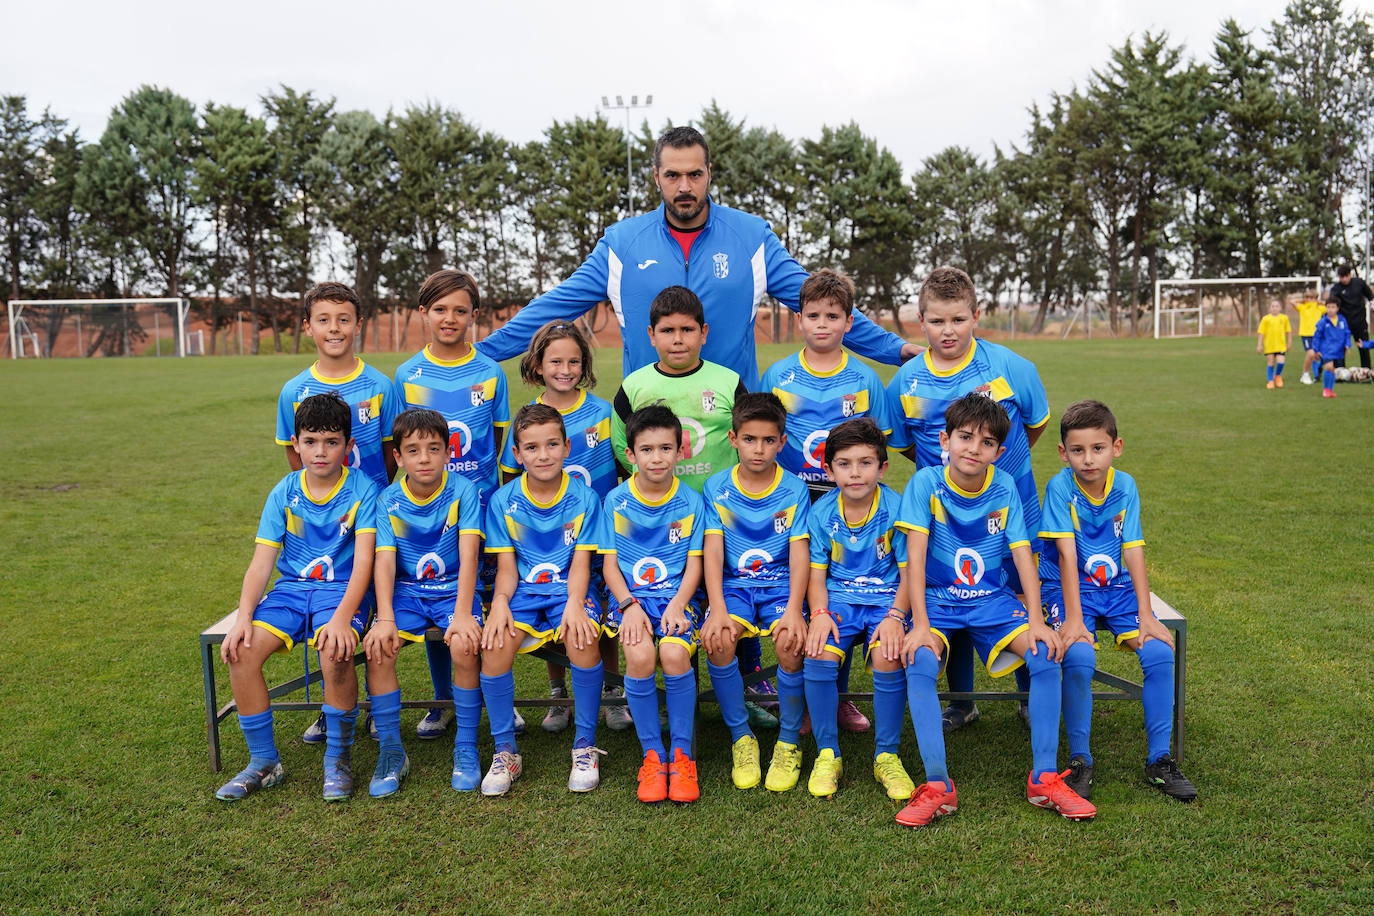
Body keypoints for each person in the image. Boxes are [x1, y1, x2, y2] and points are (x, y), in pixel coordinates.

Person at [473, 126, 919, 391]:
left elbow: (824, 305)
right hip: (649, 427)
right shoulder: (622, 244)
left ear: (709, 175)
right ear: (656, 177)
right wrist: (479, 355)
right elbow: (552, 308)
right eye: (673, 175)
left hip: (733, 423)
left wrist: (896, 350)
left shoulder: (752, 238)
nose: (684, 186)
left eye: (694, 174)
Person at [894, 393, 1092, 827]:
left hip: (992, 601)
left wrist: (1038, 622)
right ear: (945, 439)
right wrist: (919, 624)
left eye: (985, 443)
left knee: (1045, 653)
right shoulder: (925, 483)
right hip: (938, 602)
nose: (973, 449)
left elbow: (1022, 553)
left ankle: (1043, 778)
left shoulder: (1003, 486)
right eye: (964, 437)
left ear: (999, 452)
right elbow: (914, 555)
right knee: (920, 661)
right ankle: (938, 786)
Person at [885, 266, 1050, 733]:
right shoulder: (905, 382)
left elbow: (1034, 424)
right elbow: (904, 443)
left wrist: (997, 467)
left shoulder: (1012, 367)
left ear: (976, 316)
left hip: (1010, 503)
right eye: (937, 321)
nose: (948, 330)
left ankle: (1026, 694)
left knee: (1015, 589)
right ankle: (961, 702)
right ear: (920, 322)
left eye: (958, 319)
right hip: (940, 515)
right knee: (952, 592)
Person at [215, 393, 378, 802]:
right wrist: (242, 618)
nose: (320, 452)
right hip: (291, 591)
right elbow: (260, 565)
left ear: (349, 445)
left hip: (343, 593)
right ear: (296, 443)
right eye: (310, 441)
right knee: (242, 651)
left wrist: (342, 619)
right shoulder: (284, 492)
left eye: (331, 441)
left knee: (334, 651)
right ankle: (264, 762)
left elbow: (363, 567)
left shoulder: (365, 490)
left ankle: (337, 759)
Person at [1038, 399, 1196, 803]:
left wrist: (1147, 615)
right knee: (1078, 657)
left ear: (1117, 447)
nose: (1088, 459)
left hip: (1118, 590)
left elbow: (1134, 549)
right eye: (1078, 450)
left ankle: (1160, 761)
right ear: (1063, 452)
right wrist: (1073, 618)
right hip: (1069, 589)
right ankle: (1080, 761)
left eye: (1098, 448)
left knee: (1160, 651)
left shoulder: (1125, 486)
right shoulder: (1059, 487)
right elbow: (1067, 554)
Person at [761, 267, 893, 734]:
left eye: (832, 316)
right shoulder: (778, 374)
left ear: (849, 322)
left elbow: (875, 443)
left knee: (851, 589)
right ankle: (790, 693)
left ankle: (835, 699)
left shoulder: (864, 378)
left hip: (851, 498)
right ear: (799, 319)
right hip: (798, 503)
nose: (822, 324)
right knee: (802, 596)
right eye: (812, 314)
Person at [275, 282, 400, 746]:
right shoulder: (294, 390)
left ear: (358, 325)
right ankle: (335, 709)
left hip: (372, 517)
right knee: (333, 604)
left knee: (372, 606)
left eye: (343, 319)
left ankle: (369, 704)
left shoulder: (380, 385)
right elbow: (295, 460)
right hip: (323, 529)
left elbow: (391, 453)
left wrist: (369, 497)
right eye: (324, 320)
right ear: (308, 326)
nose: (334, 329)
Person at [395, 269, 514, 738]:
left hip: (481, 509)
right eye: (440, 309)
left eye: (460, 310)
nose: (450, 318)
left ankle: (494, 695)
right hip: (427, 513)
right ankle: (444, 701)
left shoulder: (490, 372)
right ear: (424, 312)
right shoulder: (407, 375)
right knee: (436, 592)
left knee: (484, 601)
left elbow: (499, 442)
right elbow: (398, 447)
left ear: (474, 316)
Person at [497, 320, 630, 734]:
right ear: (537, 365)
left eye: (574, 360)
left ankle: (609, 691)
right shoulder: (527, 419)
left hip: (596, 532)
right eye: (555, 360)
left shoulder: (601, 412)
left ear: (585, 364)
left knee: (598, 614)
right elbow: (510, 482)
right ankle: (558, 694)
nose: (565, 369)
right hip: (546, 544)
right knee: (554, 611)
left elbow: (626, 468)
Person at [478, 404, 608, 795]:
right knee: (495, 644)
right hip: (523, 593)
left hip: (573, 589)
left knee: (582, 637)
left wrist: (574, 603)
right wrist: (500, 602)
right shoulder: (503, 501)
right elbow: (506, 568)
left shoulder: (584, 498)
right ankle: (505, 751)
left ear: (567, 447)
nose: (544, 454)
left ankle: (585, 745)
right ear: (516, 454)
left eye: (552, 444)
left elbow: (582, 565)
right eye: (532, 448)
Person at [364, 408, 484, 797]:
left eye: (433, 449)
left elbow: (469, 557)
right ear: (397, 458)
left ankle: (466, 747)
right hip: (407, 592)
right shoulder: (387, 500)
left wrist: (464, 613)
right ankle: (391, 752)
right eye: (413, 451)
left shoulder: (464, 490)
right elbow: (384, 562)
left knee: (466, 643)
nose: (425, 458)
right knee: (379, 648)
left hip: (453, 589)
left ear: (448, 451)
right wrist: (383, 618)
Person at [700, 393, 811, 791]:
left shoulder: (794, 489)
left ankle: (787, 741)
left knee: (790, 642)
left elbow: (800, 555)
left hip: (781, 585)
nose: (759, 449)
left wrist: (797, 610)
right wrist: (715, 608)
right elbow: (712, 552)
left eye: (768, 440)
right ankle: (741, 738)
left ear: (782, 442)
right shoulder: (715, 488)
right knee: (719, 640)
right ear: (733, 439)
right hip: (734, 587)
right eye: (749, 439)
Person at [801, 418, 915, 800]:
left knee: (887, 656)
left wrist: (897, 617)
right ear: (829, 469)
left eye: (866, 462)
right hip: (838, 601)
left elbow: (909, 572)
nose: (855, 473)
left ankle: (887, 755)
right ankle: (827, 753)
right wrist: (818, 614)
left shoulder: (898, 508)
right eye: (845, 464)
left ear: (883, 467)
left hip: (887, 602)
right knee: (818, 653)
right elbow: (817, 575)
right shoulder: (820, 513)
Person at [599, 405, 706, 804]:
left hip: (678, 598)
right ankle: (652, 756)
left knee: (676, 656)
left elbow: (694, 564)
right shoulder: (615, 501)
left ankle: (682, 757)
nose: (656, 458)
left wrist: (679, 604)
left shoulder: (692, 502)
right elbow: (610, 566)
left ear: (681, 452)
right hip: (631, 600)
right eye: (647, 449)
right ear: (631, 455)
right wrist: (628, 605)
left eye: (666, 448)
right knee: (641, 655)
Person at [610, 285, 747, 492]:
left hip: (721, 501)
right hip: (661, 505)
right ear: (652, 335)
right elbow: (621, 443)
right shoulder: (633, 386)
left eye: (687, 330)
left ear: (703, 333)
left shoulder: (729, 382)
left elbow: (749, 438)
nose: (678, 339)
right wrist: (649, 478)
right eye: (667, 331)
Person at [1328, 266, 1372, 370]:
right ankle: (1340, 370)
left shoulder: (1359, 283)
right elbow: (1332, 304)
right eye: (1341, 277)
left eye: (1345, 276)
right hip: (1343, 323)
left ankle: (1366, 370)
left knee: (1363, 346)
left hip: (1360, 322)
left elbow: (1370, 295)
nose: (1343, 279)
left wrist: (1372, 302)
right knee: (1340, 347)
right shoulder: (1336, 289)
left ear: (1350, 274)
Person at [1313, 298, 1354, 398]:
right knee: (1328, 367)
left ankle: (1330, 390)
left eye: (1333, 307)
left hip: (1338, 351)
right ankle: (1326, 390)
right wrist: (1316, 350)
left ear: (1338, 308)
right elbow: (1316, 336)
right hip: (1326, 349)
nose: (1330, 309)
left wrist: (1347, 345)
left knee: (1332, 370)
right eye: (1328, 307)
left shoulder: (1342, 320)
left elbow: (1347, 333)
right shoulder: (1323, 321)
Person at [1292, 294, 1328, 384]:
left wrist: (1319, 302)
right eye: (1309, 298)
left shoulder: (1320, 308)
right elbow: (1292, 302)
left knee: (1318, 356)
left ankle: (1316, 375)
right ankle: (1305, 374)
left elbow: (1328, 304)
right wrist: (1303, 300)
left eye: (1313, 298)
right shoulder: (1303, 307)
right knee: (1311, 353)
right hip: (1306, 335)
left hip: (1317, 335)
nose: (1311, 300)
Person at [1256, 299, 1292, 389]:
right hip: (1269, 346)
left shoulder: (1284, 318)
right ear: (1270, 308)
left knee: (1281, 362)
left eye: (1277, 306)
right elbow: (1261, 332)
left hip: (1281, 345)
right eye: (1273, 306)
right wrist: (1259, 345)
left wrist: (1289, 342)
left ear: (1280, 308)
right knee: (1271, 363)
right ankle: (1270, 381)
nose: (1275, 308)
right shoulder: (1265, 319)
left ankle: (1277, 376)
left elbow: (1288, 331)